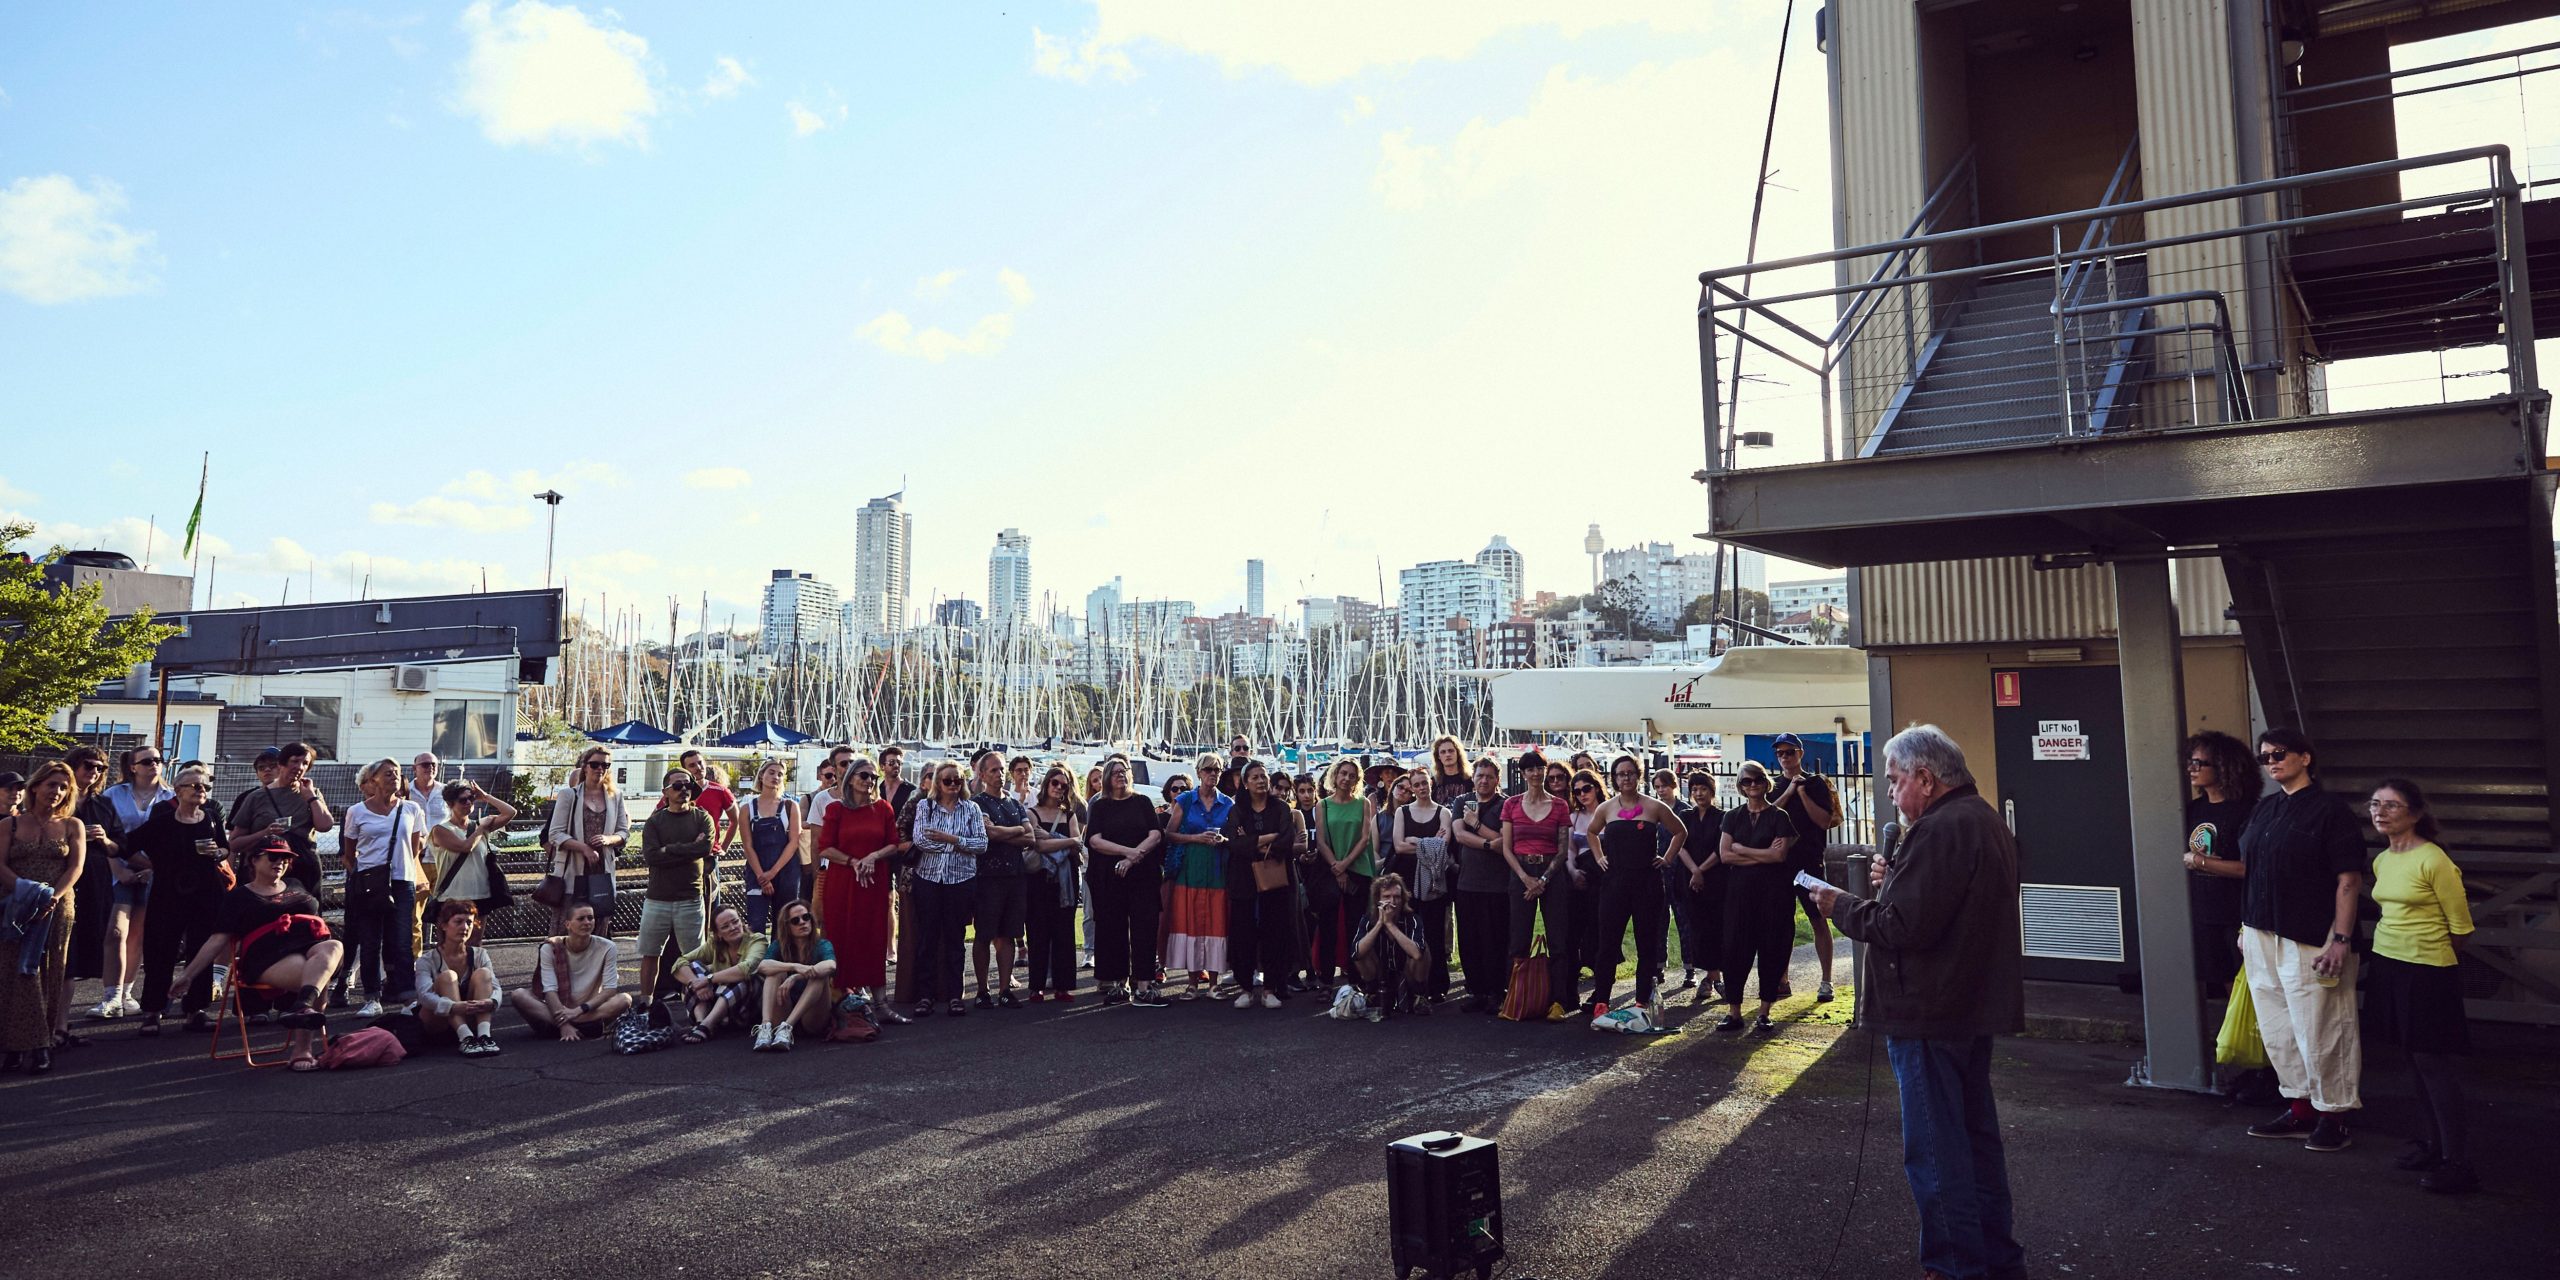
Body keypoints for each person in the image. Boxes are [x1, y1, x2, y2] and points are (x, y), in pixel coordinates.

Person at [1807, 724, 2026, 1280]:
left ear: (1925, 779)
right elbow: (1937, 906)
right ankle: (1995, 1261)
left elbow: (1902, 926)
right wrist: (1897, 876)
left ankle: (1954, 1265)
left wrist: (1839, 905)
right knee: (1973, 1143)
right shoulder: (1979, 819)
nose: (1889, 792)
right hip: (1965, 1004)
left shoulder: (1940, 829)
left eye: (1895, 779)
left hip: (1930, 1009)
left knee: (1936, 1148)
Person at [2235, 728, 2368, 1153]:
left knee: (2322, 1025)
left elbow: (2348, 879)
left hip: (2312, 934)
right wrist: (2245, 928)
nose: (2271, 762)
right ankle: (2300, 1110)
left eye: (2279, 753)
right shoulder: (2265, 808)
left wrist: (2341, 939)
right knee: (2279, 1027)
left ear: (2305, 757)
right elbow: (2253, 870)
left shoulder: (2330, 810)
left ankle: (2334, 1116)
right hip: (2262, 930)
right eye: (2264, 757)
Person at [2362, 778, 2476, 1193]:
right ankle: (2433, 1146)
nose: (2380, 812)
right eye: (2375, 804)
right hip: (2389, 964)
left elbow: (2460, 927)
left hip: (2427, 970)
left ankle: (2457, 1162)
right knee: (2412, 1059)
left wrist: (2431, 960)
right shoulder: (2382, 860)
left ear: (2415, 813)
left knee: (2432, 1063)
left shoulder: (2434, 859)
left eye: (2391, 805)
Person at [169, 836, 344, 1072]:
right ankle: (302, 1049)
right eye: (273, 857)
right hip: (268, 956)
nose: (280, 862)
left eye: (285, 858)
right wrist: (188, 975)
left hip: (309, 945)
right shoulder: (239, 897)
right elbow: (217, 940)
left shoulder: (295, 883)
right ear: (253, 860)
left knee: (334, 947)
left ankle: (302, 1005)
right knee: (315, 978)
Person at [133, 765, 233, 1034]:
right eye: (196, 785)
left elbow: (225, 848)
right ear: (178, 790)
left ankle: (195, 1009)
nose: (202, 790)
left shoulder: (211, 817)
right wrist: (153, 865)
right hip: (168, 892)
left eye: (206, 786)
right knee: (160, 950)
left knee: (202, 948)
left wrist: (218, 853)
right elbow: (128, 845)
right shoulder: (162, 818)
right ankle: (153, 1010)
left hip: (205, 891)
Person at [1588, 755, 1687, 1027]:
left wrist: (1667, 858)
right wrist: (1599, 857)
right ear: (1614, 778)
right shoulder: (1606, 808)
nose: (1626, 778)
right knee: (1607, 944)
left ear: (1639, 775)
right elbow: (1592, 833)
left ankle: (1642, 1001)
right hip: (1615, 884)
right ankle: (1602, 1000)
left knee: (1647, 944)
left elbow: (1680, 832)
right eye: (1621, 774)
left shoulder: (1654, 806)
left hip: (1647, 883)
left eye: (1631, 773)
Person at [1, 763, 88, 1072]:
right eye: (52, 784)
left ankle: (42, 1045)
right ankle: (13, 1046)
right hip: (16, 906)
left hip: (56, 906)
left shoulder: (72, 825)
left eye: (64, 787)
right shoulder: (10, 825)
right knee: (15, 972)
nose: (57, 791)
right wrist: (26, 892)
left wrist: (52, 897)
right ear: (35, 787)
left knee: (48, 972)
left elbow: (75, 867)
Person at [341, 758, 428, 1018]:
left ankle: (408, 997)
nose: (394, 777)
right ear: (373, 780)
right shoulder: (356, 812)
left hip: (402, 880)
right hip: (369, 882)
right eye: (387, 773)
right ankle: (371, 997)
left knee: (401, 940)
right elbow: (349, 854)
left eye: (397, 773)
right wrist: (362, 875)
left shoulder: (411, 809)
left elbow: (415, 848)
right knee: (370, 941)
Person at [1714, 762, 1796, 1035]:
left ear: (1765, 782)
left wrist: (1743, 849)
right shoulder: (1732, 816)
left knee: (1771, 948)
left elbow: (1779, 856)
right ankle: (1734, 1012)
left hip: (1773, 894)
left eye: (1757, 780)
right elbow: (1725, 855)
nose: (1752, 785)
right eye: (1746, 781)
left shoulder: (1779, 816)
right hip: (1739, 893)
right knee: (1735, 948)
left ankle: (1764, 1012)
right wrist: (1763, 855)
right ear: (1740, 786)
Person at [815, 756, 900, 1018]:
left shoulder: (883, 808)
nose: (869, 781)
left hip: (873, 882)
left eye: (873, 777)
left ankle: (881, 1004)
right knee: (843, 937)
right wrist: (853, 862)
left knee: (874, 938)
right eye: (864, 775)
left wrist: (873, 857)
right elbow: (825, 847)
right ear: (851, 778)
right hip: (843, 883)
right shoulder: (836, 810)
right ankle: (844, 1002)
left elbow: (894, 843)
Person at [94, 745, 172, 1019]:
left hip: (155, 872)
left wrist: (154, 868)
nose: (154, 764)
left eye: (158, 760)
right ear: (133, 767)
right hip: (118, 869)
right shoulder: (113, 795)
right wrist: (117, 868)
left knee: (138, 935)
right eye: (147, 761)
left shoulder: (171, 797)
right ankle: (111, 996)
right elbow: (104, 836)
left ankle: (126, 993)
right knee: (116, 932)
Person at [2177, 730, 2256, 1000]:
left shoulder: (2248, 811)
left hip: (2237, 913)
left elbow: (2249, 868)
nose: (2191, 769)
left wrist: (2200, 861)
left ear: (2224, 766)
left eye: (2199, 763)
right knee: (2222, 980)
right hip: (2202, 911)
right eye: (2190, 762)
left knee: (2247, 984)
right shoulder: (2192, 809)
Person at [1500, 753, 1578, 1023]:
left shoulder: (1559, 805)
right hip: (1520, 873)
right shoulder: (1511, 804)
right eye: (1530, 769)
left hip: (1552, 874)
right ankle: (1516, 998)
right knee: (1518, 939)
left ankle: (1558, 1001)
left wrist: (1543, 880)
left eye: (1539, 768)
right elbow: (1507, 848)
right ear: (1522, 774)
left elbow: (1562, 849)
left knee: (1558, 940)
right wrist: (1525, 878)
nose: (1536, 773)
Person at [908, 760, 987, 1018]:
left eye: (958, 780)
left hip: (961, 880)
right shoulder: (926, 806)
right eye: (947, 780)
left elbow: (981, 844)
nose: (953, 784)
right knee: (927, 938)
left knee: (955, 938)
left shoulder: (972, 809)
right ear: (937, 783)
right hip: (929, 879)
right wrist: (959, 845)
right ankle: (925, 995)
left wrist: (949, 839)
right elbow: (920, 840)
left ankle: (955, 995)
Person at [1086, 758, 1167, 1007]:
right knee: (1113, 929)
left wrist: (1133, 857)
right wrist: (1127, 852)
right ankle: (1118, 984)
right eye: (1115, 773)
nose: (1121, 776)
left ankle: (1144, 985)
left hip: (1143, 876)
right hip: (1110, 877)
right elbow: (1095, 840)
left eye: (1124, 771)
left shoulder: (1142, 802)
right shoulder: (1100, 806)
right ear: (1107, 778)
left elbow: (1155, 834)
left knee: (1145, 928)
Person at [1220, 760, 1297, 1010]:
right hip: (1243, 879)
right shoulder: (1237, 809)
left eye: (1263, 776)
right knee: (1243, 933)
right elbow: (1234, 842)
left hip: (1275, 877)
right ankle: (1245, 987)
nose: (1261, 781)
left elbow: (1286, 839)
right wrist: (1267, 838)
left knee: (1275, 932)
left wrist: (1254, 842)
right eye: (1254, 777)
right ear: (1245, 783)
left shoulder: (1280, 808)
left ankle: (1270, 989)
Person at [1768, 734, 1839, 1002]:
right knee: (1781, 922)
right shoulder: (1774, 785)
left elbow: (1824, 821)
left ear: (1800, 753)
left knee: (1818, 919)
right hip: (1780, 863)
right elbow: (1766, 817)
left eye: (1789, 752)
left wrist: (1801, 793)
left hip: (1809, 861)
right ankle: (1782, 979)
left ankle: (1826, 980)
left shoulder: (1816, 783)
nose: (1785, 757)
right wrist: (1788, 792)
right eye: (1780, 753)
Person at [1161, 754, 1234, 1000]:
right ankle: (1192, 983)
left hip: (1217, 870)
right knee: (1190, 922)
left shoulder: (1228, 803)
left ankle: (1214, 983)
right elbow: (1169, 834)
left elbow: (1235, 837)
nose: (1213, 773)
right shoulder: (1185, 800)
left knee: (1216, 924)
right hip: (1190, 869)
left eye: (1217, 770)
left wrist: (1223, 839)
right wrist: (1195, 838)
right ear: (1199, 772)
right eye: (1208, 769)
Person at [226, 742, 333, 909]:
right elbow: (234, 843)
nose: (299, 767)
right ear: (281, 763)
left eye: (305, 763)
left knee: (305, 917)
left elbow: (325, 826)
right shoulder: (256, 797)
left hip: (304, 868)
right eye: (295, 761)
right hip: (266, 869)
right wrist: (265, 833)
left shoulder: (311, 793)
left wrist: (311, 797)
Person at [62, 746, 124, 1035]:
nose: (94, 772)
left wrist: (104, 839)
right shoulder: (59, 797)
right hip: (63, 876)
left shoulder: (104, 804)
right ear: (73, 765)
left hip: (96, 880)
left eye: (100, 768)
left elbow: (119, 846)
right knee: (61, 949)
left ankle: (61, 1024)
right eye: (88, 765)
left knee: (86, 946)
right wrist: (77, 836)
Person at [506, 900, 630, 1042]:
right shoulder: (550, 948)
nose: (587, 922)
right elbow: (549, 990)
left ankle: (564, 1025)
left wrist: (577, 1011)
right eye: (581, 919)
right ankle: (578, 1027)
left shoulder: (608, 947)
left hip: (587, 1010)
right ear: (568, 924)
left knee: (624, 1000)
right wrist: (564, 1024)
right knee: (518, 995)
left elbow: (610, 990)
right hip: (558, 1010)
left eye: (590, 918)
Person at [969, 748, 1034, 1009]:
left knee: (1009, 934)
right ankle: (982, 990)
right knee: (984, 934)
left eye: (1001, 769)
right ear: (983, 774)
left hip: (1015, 876)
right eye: (993, 770)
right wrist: (1016, 830)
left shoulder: (1014, 803)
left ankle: (1005, 989)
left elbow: (1030, 838)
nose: (999, 774)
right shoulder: (978, 804)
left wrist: (1009, 832)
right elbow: (989, 834)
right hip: (988, 877)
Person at [1449, 756, 1512, 1013]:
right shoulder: (1462, 801)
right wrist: (1488, 843)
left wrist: (1476, 824)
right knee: (1470, 941)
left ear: (1497, 779)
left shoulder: (1506, 804)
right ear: (1473, 778)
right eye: (1479, 776)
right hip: (1467, 883)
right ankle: (1477, 991)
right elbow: (1459, 835)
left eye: (1489, 776)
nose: (1484, 780)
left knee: (1495, 940)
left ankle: (1497, 992)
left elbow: (1506, 842)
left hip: (1498, 886)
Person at [543, 746, 628, 933]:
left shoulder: (616, 796)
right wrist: (584, 848)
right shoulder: (569, 795)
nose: (600, 769)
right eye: (595, 764)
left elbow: (623, 832)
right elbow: (555, 834)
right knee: (567, 927)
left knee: (598, 927)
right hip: (573, 871)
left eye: (605, 765)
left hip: (602, 871)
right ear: (585, 766)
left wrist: (609, 839)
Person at [1389, 768, 1455, 1003]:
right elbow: (1399, 846)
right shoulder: (1402, 812)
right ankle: (1408, 984)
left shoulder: (1443, 812)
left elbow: (1443, 847)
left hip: (1433, 883)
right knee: (1408, 931)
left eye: (1424, 783)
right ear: (1412, 788)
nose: (1421, 788)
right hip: (1406, 882)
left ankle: (1436, 985)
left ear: (1431, 784)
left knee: (1434, 934)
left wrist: (1415, 841)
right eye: (1416, 785)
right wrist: (1430, 843)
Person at [637, 770, 716, 964]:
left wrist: (669, 849)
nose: (684, 789)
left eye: (688, 785)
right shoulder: (655, 821)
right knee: (650, 954)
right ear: (665, 792)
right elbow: (652, 857)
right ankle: (651, 988)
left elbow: (704, 848)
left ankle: (694, 986)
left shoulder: (702, 818)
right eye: (678, 786)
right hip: (658, 897)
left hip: (691, 897)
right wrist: (690, 849)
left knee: (695, 956)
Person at [1313, 759, 1377, 997]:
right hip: (1331, 870)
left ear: (1357, 780)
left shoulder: (1363, 803)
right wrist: (1337, 867)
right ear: (1335, 775)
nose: (1346, 778)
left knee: (1355, 927)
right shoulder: (1323, 805)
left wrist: (1345, 865)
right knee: (1328, 927)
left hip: (1358, 870)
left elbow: (1365, 838)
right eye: (1343, 773)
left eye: (1352, 775)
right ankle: (1326, 981)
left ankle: (1355, 980)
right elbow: (1321, 841)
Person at [1025, 766, 1084, 1003]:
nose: (1059, 788)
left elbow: (1077, 844)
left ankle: (1063, 985)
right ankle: (1036, 986)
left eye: (1064, 785)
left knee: (1064, 933)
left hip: (1065, 881)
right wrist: (1067, 841)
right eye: (1055, 783)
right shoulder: (1032, 813)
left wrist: (1053, 839)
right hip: (1038, 879)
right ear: (1046, 784)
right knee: (1037, 932)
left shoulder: (1069, 815)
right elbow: (1037, 845)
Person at [415, 900, 503, 1056]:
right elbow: (424, 996)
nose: (465, 927)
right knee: (448, 976)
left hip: (470, 1017)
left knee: (484, 973)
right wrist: (453, 1007)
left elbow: (496, 987)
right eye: (458, 922)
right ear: (444, 925)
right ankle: (465, 1037)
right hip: (438, 1023)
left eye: (469, 922)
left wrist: (492, 1002)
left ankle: (484, 1036)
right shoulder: (426, 960)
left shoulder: (480, 954)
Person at [673, 905, 768, 1043]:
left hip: (746, 1008)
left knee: (743, 977)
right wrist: (696, 983)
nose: (733, 927)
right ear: (718, 933)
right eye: (725, 926)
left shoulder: (757, 940)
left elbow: (746, 968)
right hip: (718, 1004)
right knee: (693, 967)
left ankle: (707, 1025)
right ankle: (701, 1022)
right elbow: (679, 963)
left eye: (735, 921)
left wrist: (708, 979)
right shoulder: (714, 944)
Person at [752, 898, 837, 1051]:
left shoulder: (822, 944)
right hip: (784, 1010)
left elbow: (831, 965)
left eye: (806, 917)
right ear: (787, 926)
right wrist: (795, 967)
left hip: (812, 1018)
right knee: (774, 973)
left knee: (819, 975)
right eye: (795, 921)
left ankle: (787, 1028)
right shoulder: (779, 945)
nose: (802, 922)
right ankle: (765, 1027)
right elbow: (763, 966)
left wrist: (796, 976)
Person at [427, 778, 517, 922]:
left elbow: (510, 812)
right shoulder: (441, 830)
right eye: (463, 800)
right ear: (450, 804)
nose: (468, 802)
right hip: (452, 897)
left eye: (471, 798)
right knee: (452, 936)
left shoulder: (479, 825)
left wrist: (486, 797)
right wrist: (481, 828)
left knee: (476, 937)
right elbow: (465, 847)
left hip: (481, 894)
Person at [1676, 769, 1726, 1004]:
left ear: (1711, 791)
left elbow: (1721, 849)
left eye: (1703, 789)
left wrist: (1701, 871)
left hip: (1716, 879)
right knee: (1697, 928)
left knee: (1716, 927)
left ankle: (1717, 976)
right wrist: (1694, 871)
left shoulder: (1722, 817)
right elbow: (1680, 845)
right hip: (1690, 879)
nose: (1698, 793)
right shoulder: (1686, 816)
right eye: (1694, 789)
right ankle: (1711, 976)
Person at [1351, 873, 1430, 1020]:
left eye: (1397, 897)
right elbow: (1355, 953)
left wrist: (1390, 925)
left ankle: (1419, 996)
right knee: (1361, 949)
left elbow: (1417, 953)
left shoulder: (1412, 919)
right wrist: (1379, 924)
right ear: (1378, 899)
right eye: (1387, 897)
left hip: (1407, 972)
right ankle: (1372, 993)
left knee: (1422, 949)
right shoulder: (1368, 919)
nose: (1392, 902)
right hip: (1380, 972)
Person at [738, 760, 805, 933]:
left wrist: (773, 872)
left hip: (786, 872)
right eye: (771, 772)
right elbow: (747, 845)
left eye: (780, 774)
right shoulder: (747, 809)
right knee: (755, 925)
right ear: (761, 775)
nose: (776, 777)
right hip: (757, 871)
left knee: (784, 925)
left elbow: (794, 842)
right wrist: (762, 876)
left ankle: (781, 952)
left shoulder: (790, 806)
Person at [1560, 766, 1607, 1009]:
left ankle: (1601, 991)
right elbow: (1569, 849)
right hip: (1579, 876)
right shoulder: (1574, 817)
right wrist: (1572, 870)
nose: (1582, 794)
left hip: (1603, 879)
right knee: (1571, 934)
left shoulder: (1609, 812)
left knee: (1598, 935)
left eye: (1586, 788)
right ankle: (1569, 992)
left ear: (1597, 788)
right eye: (1577, 791)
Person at [679, 749, 736, 925]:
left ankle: (711, 940)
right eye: (692, 765)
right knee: (685, 908)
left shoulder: (720, 791)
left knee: (711, 906)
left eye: (700, 762)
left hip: (709, 858)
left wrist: (724, 847)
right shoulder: (679, 790)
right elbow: (657, 816)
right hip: (683, 858)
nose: (698, 767)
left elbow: (736, 820)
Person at [406, 753, 449, 958]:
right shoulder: (405, 792)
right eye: (424, 764)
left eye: (433, 764)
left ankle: (446, 957)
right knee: (414, 915)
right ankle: (415, 960)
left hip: (442, 859)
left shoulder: (446, 792)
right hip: (417, 860)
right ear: (414, 768)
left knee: (446, 912)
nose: (429, 768)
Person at [1425, 735, 1473, 807]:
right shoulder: (1433, 783)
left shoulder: (1470, 780)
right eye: (1443, 752)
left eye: (1451, 751)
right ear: (1438, 756)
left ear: (1458, 753)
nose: (1447, 754)